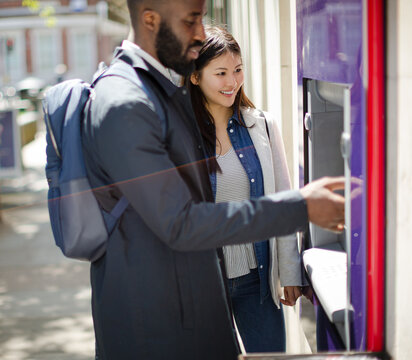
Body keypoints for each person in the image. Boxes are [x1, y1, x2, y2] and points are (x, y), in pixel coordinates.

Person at [81, 0, 344, 358]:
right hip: (156, 318)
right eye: (192, 20)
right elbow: (179, 222)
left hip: (215, 290)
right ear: (150, 20)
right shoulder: (127, 103)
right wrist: (299, 206)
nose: (201, 33)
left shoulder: (158, 98)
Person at [187, 25, 301, 353]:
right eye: (220, 73)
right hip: (205, 283)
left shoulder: (261, 125)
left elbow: (282, 203)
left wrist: (290, 272)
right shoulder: (181, 135)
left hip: (257, 280)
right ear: (195, 77)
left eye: (238, 70)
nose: (232, 82)